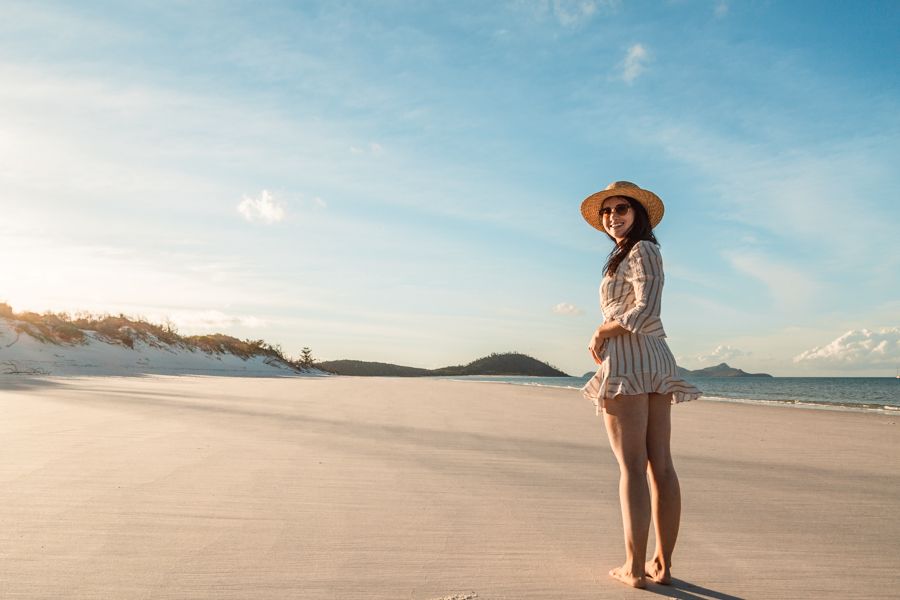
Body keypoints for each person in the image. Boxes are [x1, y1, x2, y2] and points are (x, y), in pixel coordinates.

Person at [579, 180, 702, 589]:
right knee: (660, 465)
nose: (613, 216)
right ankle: (661, 567)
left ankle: (635, 568)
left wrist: (602, 330)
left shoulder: (642, 249)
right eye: (608, 211)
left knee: (636, 466)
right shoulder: (630, 253)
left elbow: (648, 310)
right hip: (651, 358)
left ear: (638, 214)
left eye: (622, 209)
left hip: (632, 358)